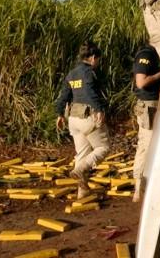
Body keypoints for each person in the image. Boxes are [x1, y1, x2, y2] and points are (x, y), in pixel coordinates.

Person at [55, 41, 110, 199]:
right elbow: (89, 91)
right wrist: (99, 109)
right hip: (88, 116)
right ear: (93, 58)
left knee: (82, 153)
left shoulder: (71, 74)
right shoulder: (88, 73)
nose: (97, 63)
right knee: (103, 148)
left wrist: (59, 113)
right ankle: (80, 170)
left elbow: (63, 96)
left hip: (73, 119)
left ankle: (83, 191)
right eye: (98, 60)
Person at [131, 44, 160, 202]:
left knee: (151, 145)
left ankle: (143, 186)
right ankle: (139, 188)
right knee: (146, 145)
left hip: (153, 105)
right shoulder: (147, 54)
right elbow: (141, 82)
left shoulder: (154, 54)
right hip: (148, 106)